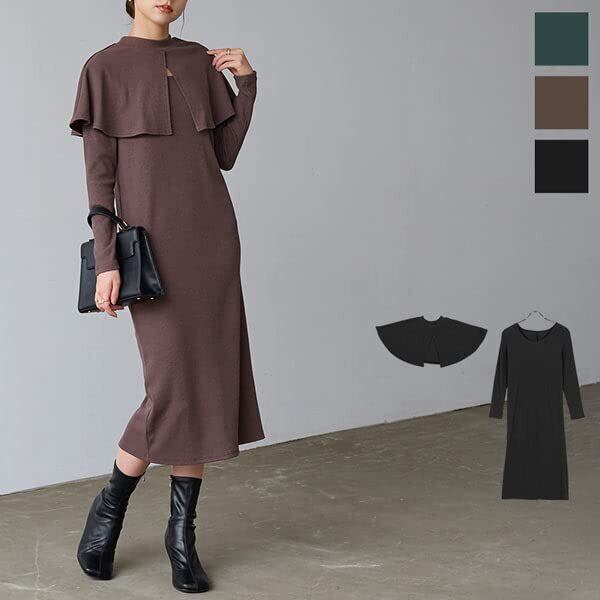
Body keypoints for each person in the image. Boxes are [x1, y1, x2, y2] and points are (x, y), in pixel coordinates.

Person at [69, 0, 265, 592]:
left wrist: (247, 86)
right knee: (174, 387)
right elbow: (100, 177)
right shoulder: (103, 68)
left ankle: (181, 537)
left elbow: (223, 155)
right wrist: (106, 260)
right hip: (152, 253)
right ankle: (111, 504)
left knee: (203, 384)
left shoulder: (198, 61)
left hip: (213, 244)